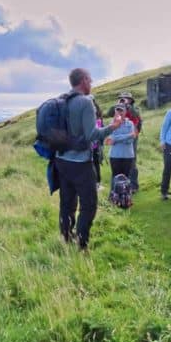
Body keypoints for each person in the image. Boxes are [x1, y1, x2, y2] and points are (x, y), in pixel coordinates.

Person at [56, 68, 121, 250]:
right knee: (89, 204)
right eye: (90, 80)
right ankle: (82, 244)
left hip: (61, 160)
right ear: (83, 80)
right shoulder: (85, 102)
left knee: (67, 201)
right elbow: (92, 135)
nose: (91, 83)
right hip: (80, 163)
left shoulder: (62, 100)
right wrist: (113, 126)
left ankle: (66, 237)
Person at [107, 92, 142, 191]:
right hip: (122, 133)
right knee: (117, 170)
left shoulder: (135, 108)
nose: (123, 99)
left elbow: (136, 115)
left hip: (132, 132)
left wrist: (128, 106)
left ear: (131, 100)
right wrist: (117, 105)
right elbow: (109, 114)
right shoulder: (117, 108)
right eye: (121, 98)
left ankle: (133, 185)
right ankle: (116, 190)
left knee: (132, 162)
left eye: (126, 98)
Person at [90, 97, 105, 190]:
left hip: (94, 145)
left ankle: (96, 184)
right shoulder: (97, 113)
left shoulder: (96, 115)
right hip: (95, 145)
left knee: (95, 164)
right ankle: (96, 183)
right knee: (95, 164)